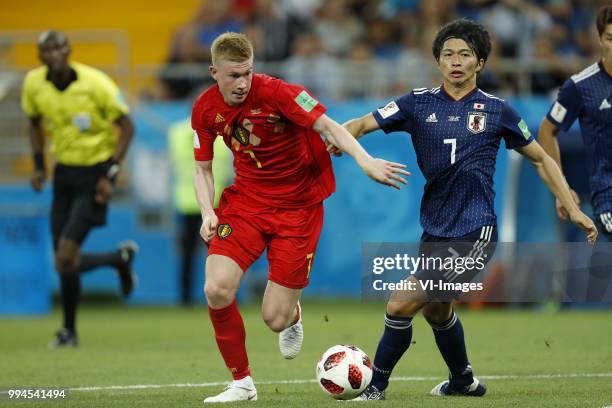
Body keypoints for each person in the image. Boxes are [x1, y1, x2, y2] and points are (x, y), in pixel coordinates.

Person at [327, 19, 597, 400]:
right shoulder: (416, 103)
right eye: (448, 54)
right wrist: (342, 138)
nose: (456, 61)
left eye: (465, 54)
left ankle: (376, 387)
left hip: (475, 230)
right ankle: (463, 381)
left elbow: (539, 159)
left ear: (480, 63)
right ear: (438, 60)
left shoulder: (497, 110)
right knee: (437, 312)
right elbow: (362, 122)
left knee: (400, 302)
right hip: (435, 228)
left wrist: (572, 206)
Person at [191, 32, 410, 403]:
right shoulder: (205, 108)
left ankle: (291, 314)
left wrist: (364, 160)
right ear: (215, 72)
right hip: (246, 203)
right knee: (216, 287)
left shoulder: (280, 92)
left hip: (299, 208)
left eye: (247, 73)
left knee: (274, 319)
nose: (242, 83)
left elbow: (329, 126)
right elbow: (203, 168)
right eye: (233, 76)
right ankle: (242, 383)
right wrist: (207, 211)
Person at [21, 31, 138, 348]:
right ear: (41, 56)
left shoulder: (95, 83)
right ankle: (116, 262)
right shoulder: (34, 84)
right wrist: (37, 165)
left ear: (69, 50)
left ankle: (70, 329)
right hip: (63, 174)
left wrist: (110, 174)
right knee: (63, 261)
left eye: (60, 47)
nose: (55, 53)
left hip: (94, 174)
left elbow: (127, 126)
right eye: (48, 49)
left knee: (65, 255)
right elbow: (33, 123)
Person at [539, 5, 612, 302]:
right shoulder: (581, 87)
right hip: (608, 192)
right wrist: (562, 189)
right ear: (599, 39)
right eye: (610, 37)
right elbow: (546, 131)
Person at [167, 118, 232, 306]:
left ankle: (185, 299)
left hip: (186, 200)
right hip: (215, 202)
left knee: (188, 254)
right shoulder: (222, 134)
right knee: (219, 252)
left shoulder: (177, 132)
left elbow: (173, 164)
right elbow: (226, 169)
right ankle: (219, 296)